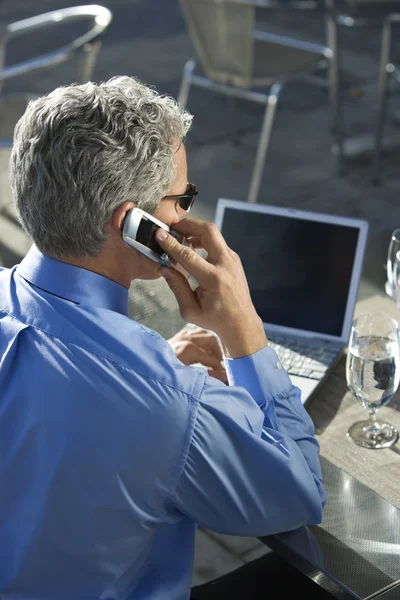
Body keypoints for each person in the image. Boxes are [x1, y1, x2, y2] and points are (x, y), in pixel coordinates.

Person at [0, 76, 329, 600]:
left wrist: (149, 372)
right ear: (133, 222)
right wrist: (243, 327)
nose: (187, 215)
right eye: (183, 198)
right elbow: (300, 494)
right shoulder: (170, 404)